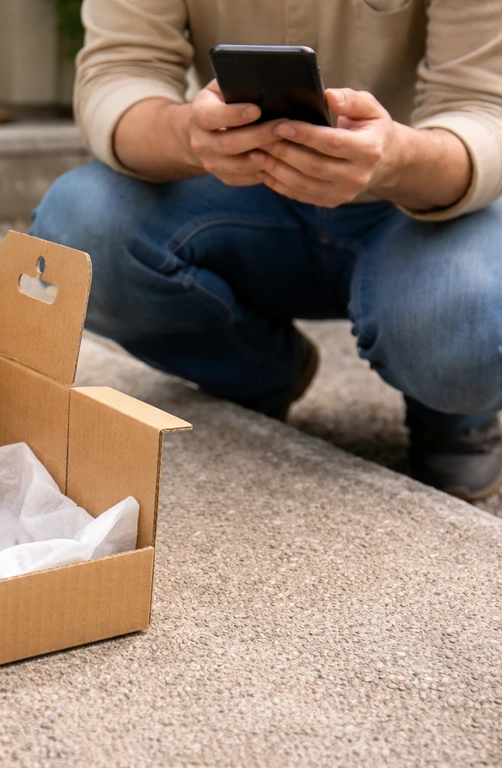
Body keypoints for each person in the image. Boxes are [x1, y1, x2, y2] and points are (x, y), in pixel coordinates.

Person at [29, 0, 502, 501]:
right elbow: (119, 73)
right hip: (236, 182)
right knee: (78, 229)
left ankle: (454, 415)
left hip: (414, 193)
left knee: (470, 315)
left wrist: (396, 159)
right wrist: (192, 136)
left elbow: (485, 107)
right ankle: (257, 370)